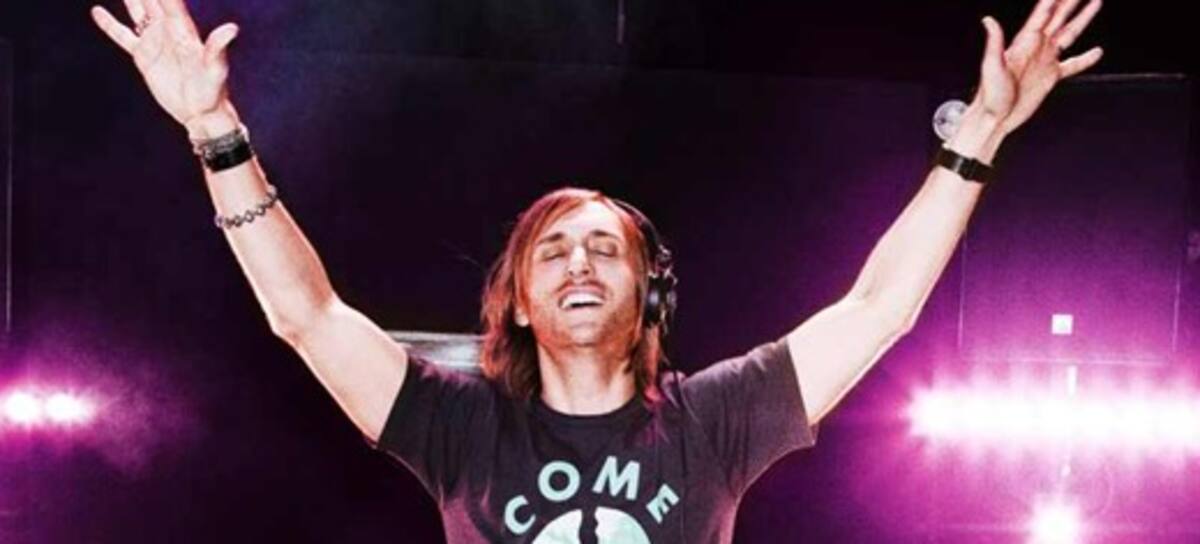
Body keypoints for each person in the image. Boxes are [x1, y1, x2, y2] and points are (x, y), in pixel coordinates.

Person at [90, 0, 1104, 541]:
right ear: (522, 304)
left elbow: (879, 307)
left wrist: (980, 132)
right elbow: (306, 314)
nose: (579, 259)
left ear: (649, 294)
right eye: (553, 248)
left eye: (606, 246)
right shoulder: (458, 426)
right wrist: (214, 128)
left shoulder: (717, 419)